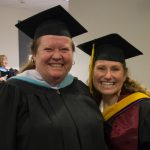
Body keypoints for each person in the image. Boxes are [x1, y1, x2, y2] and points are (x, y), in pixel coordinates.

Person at [0, 5, 108, 150]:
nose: (57, 56)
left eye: (64, 49)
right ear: (34, 55)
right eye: (48, 49)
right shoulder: (13, 92)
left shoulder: (81, 89)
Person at [77, 33, 150, 150]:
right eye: (101, 68)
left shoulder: (144, 108)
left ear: (124, 74)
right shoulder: (86, 106)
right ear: (92, 72)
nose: (108, 76)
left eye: (115, 69)